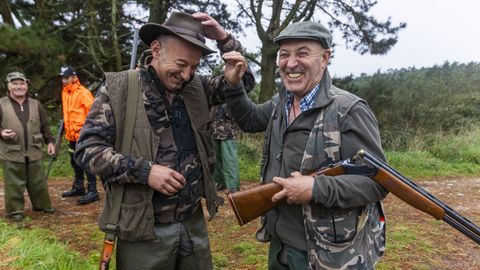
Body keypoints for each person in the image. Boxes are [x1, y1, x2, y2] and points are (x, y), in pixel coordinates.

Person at [74, 11, 254, 269]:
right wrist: (145, 172)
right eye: (181, 65)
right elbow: (87, 151)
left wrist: (225, 39)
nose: (187, 75)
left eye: (194, 67)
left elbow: (243, 81)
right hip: (144, 228)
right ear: (156, 49)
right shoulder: (119, 90)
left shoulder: (197, 88)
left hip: (193, 224)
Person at [222, 21, 388, 269]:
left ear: (325, 58)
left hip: (325, 253)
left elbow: (377, 182)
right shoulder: (282, 101)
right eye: (284, 55)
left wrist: (315, 187)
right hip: (279, 244)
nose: (290, 63)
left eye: (302, 53)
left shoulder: (349, 110)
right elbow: (250, 119)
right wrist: (234, 87)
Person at [0, 72, 55, 221]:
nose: (19, 87)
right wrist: (1, 132)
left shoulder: (35, 104)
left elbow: (44, 125)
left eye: (22, 83)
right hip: (11, 151)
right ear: (9, 85)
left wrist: (50, 142)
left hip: (34, 149)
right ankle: (15, 211)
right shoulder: (1, 104)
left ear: (26, 85)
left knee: (38, 180)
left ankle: (42, 205)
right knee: (13, 183)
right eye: (15, 83)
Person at [59, 66, 99, 205]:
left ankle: (93, 191)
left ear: (74, 77)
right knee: (74, 162)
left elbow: (94, 113)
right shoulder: (65, 92)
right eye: (62, 77)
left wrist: (89, 131)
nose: (63, 80)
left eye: (66, 77)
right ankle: (79, 187)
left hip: (83, 135)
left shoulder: (83, 93)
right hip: (71, 135)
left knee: (86, 162)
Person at [210, 104, 241, 193]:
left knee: (229, 157)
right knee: (216, 155)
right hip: (214, 123)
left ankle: (232, 185)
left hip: (227, 124)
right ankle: (219, 182)